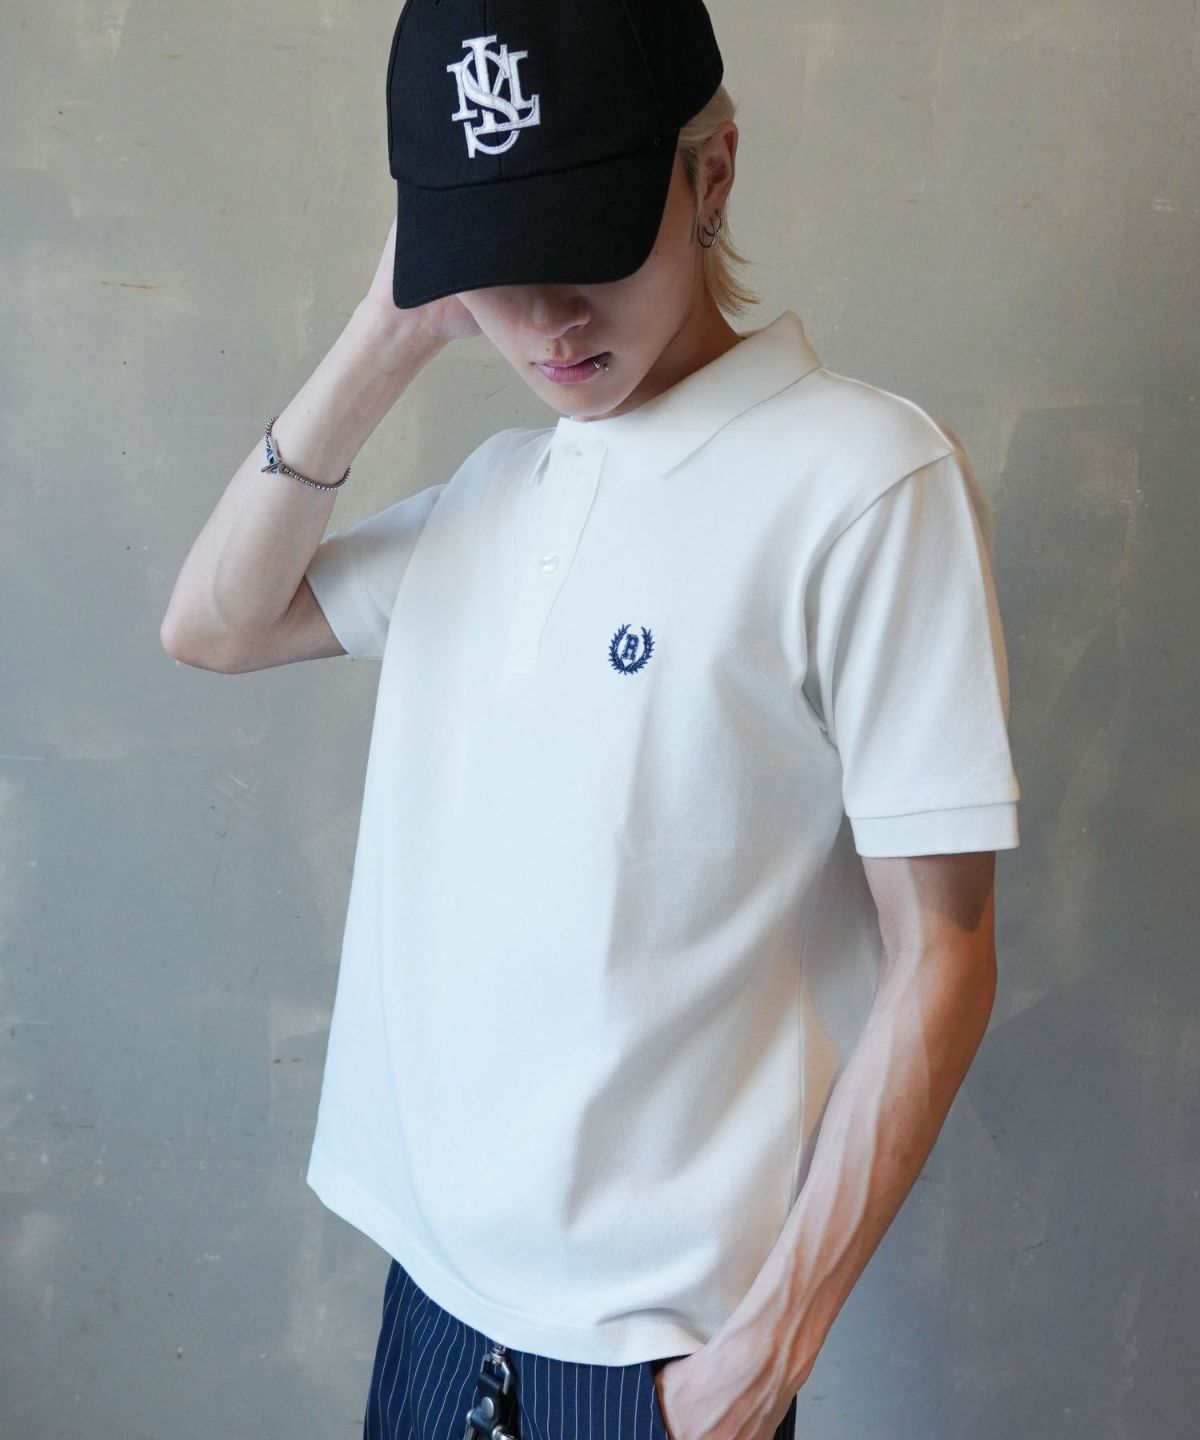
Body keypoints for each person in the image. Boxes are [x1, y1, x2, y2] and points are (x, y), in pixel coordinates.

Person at [161, 3, 1021, 1439]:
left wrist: (759, 1364)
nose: (550, 319)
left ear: (713, 173)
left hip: (653, 1368)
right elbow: (214, 624)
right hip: (430, 1308)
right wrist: (387, 328)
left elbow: (945, 953)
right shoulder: (500, 492)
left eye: (593, 244)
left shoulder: (867, 481)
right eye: (502, 265)